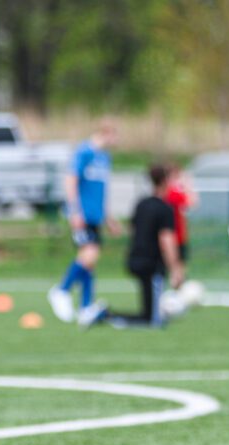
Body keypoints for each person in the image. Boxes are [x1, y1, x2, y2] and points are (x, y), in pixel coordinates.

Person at [81, 164, 185, 329]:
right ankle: (105, 315)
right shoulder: (165, 209)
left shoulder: (141, 204)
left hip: (135, 259)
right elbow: (167, 240)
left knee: (148, 314)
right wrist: (175, 268)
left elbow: (132, 230)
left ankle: (107, 315)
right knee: (154, 321)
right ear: (165, 181)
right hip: (152, 264)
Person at [48, 119, 120, 326]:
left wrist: (108, 218)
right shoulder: (84, 152)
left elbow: (102, 191)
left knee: (89, 261)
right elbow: (70, 180)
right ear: (106, 132)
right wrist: (74, 211)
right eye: (115, 135)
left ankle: (85, 307)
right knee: (90, 254)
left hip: (96, 216)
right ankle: (61, 290)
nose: (117, 140)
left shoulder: (105, 157)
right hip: (83, 215)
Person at [163, 162, 199, 263]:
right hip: (175, 236)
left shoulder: (170, 193)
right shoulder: (172, 193)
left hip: (177, 235)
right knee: (176, 267)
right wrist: (188, 184)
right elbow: (193, 201)